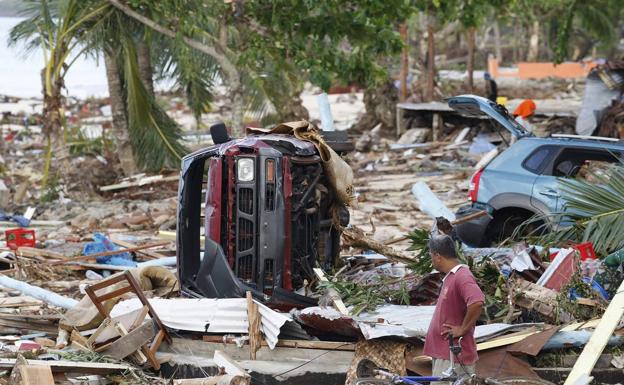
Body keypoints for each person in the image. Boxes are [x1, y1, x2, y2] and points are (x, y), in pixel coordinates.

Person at [424, 234, 485, 382]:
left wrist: (463, 329)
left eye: (431, 255)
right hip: (445, 354)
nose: (431, 259)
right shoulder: (451, 277)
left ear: (437, 256)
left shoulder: (462, 276)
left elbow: (477, 302)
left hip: (453, 355)